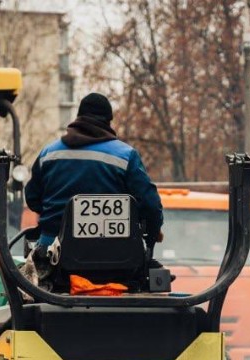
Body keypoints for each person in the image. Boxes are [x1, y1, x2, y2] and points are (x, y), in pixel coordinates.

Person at [24, 92, 164, 253]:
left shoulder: (49, 153)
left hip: (53, 251)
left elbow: (32, 198)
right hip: (115, 256)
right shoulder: (125, 156)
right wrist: (153, 232)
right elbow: (150, 205)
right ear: (108, 121)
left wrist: (56, 213)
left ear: (78, 118)